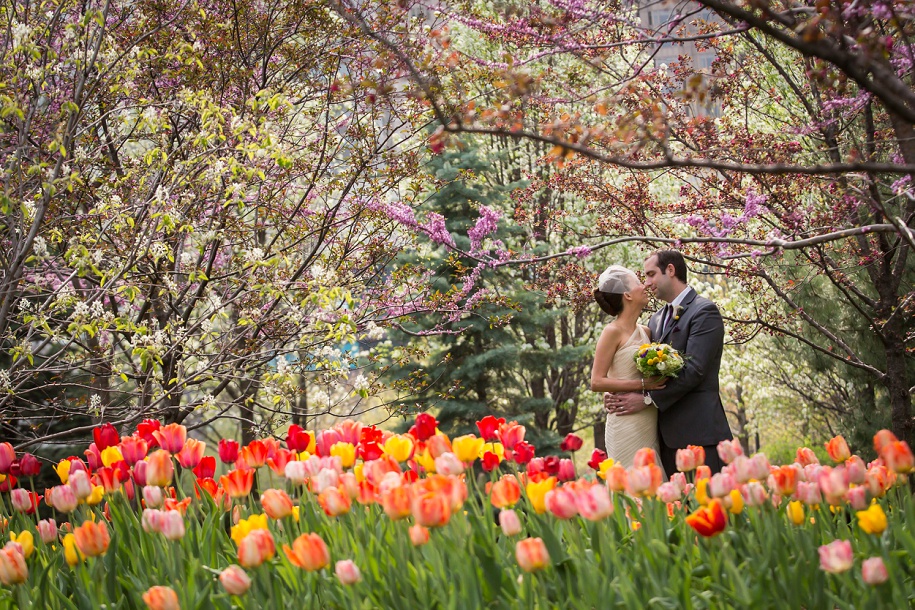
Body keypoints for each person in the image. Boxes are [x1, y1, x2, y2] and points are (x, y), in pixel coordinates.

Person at [604, 250, 732, 475]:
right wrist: (616, 388)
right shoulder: (654, 319)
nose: (647, 283)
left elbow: (695, 370)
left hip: (699, 435)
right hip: (663, 439)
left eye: (651, 274)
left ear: (670, 270)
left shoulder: (704, 312)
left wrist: (647, 399)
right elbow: (647, 368)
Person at [591, 265, 666, 469]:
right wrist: (643, 384)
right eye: (638, 283)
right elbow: (597, 381)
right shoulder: (612, 332)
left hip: (647, 420)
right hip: (625, 421)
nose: (644, 287)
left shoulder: (647, 331)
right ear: (627, 295)